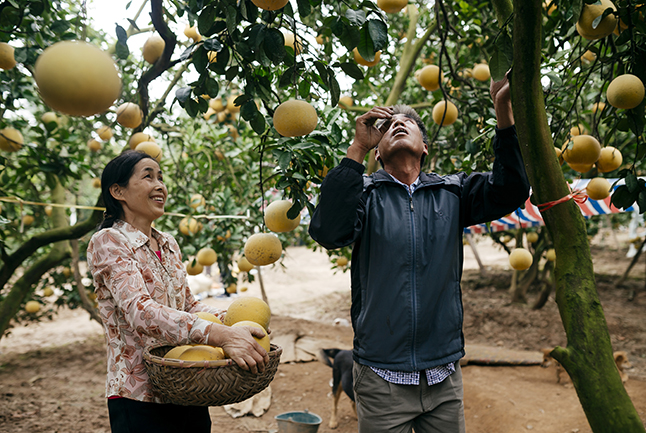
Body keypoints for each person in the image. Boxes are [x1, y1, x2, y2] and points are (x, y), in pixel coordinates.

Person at [308, 76, 529, 433]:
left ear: (424, 147)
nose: (396, 124)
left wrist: (503, 110)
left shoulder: (453, 192)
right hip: (381, 378)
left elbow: (511, 189)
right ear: (378, 153)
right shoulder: (364, 195)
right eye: (389, 124)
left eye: (407, 122)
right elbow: (328, 232)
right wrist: (357, 150)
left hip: (443, 376)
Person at [87, 150, 269, 433]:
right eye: (148, 176)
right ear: (118, 190)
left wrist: (237, 323)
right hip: (139, 393)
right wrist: (219, 334)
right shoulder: (109, 240)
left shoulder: (167, 243)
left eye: (161, 177)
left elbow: (188, 305)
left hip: (186, 382)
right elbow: (140, 311)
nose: (160, 185)